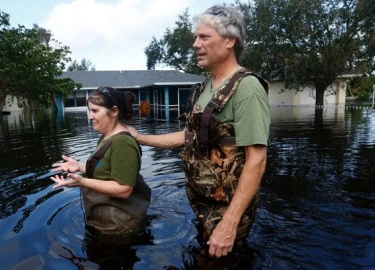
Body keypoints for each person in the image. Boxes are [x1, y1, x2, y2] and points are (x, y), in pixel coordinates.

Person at [126, 5, 270, 258]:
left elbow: (257, 160)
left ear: (229, 41)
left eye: (204, 37)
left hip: (226, 210)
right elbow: (187, 137)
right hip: (202, 202)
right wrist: (140, 137)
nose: (195, 44)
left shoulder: (247, 88)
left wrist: (228, 224)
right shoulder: (205, 87)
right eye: (196, 37)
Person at [51, 86, 151, 236]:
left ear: (114, 111)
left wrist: (82, 182)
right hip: (106, 225)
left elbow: (124, 189)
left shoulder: (123, 143)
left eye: (95, 111)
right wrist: (78, 166)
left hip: (120, 230)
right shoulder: (107, 137)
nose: (90, 116)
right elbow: (104, 169)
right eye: (90, 110)